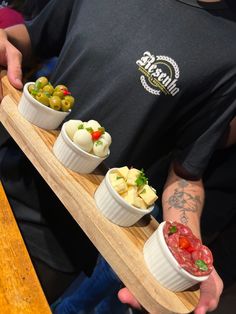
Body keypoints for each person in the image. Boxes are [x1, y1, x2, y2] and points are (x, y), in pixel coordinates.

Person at [0, 0, 236, 313]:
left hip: (59, 240)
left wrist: (186, 253)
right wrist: (6, 39)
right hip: (8, 163)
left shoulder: (228, 50)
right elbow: (33, 37)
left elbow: (186, 174)